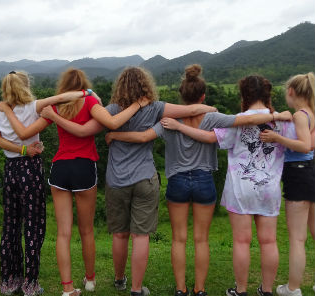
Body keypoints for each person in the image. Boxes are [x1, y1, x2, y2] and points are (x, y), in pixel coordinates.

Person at [105, 65, 292, 296]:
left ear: (181, 95)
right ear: (202, 96)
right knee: (201, 240)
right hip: (205, 180)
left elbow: (144, 137)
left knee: (179, 239)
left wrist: (114, 135)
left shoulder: (168, 119)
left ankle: (181, 289)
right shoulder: (212, 116)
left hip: (177, 181)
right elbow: (242, 120)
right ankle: (200, 289)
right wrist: (275, 115)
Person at [40, 67, 216, 296]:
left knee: (120, 234)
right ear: (146, 85)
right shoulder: (156, 107)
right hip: (145, 177)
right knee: (140, 236)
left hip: (116, 179)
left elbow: (89, 127)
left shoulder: (111, 110)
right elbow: (191, 109)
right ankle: (136, 288)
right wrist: (211, 109)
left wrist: (110, 131)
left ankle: (119, 279)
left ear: (120, 86)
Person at [1, 68, 154, 296]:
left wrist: (7, 113)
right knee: (87, 231)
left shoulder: (54, 107)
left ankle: (67, 288)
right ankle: (90, 280)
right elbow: (111, 122)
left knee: (64, 233)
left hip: (60, 169)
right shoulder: (91, 101)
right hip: (84, 168)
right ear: (84, 85)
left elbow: (25, 133)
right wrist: (137, 105)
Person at [0, 70, 89, 296]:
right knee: (33, 226)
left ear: (5, 89)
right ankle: (30, 283)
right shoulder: (34, 107)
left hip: (11, 170)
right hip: (30, 169)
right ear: (26, 86)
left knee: (11, 227)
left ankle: (10, 280)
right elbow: (62, 98)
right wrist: (87, 92)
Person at [161, 75, 296, 296]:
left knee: (242, 242)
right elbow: (301, 144)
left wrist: (179, 126)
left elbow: (209, 138)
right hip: (269, 187)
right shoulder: (281, 120)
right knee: (269, 241)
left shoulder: (237, 119)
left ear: (244, 94)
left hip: (240, 188)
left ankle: (241, 290)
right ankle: (267, 290)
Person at [259, 72, 315, 296]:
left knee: (298, 238)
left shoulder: (300, 115)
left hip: (298, 175)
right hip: (310, 172)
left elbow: (305, 146)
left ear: (291, 92)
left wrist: (277, 138)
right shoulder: (310, 113)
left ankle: (292, 288)